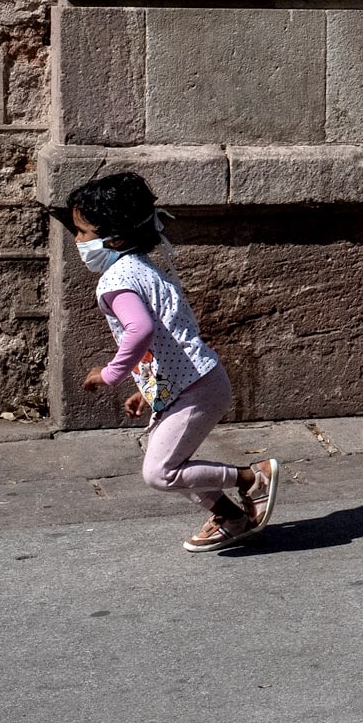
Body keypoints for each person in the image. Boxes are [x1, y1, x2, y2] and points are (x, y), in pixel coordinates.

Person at [63, 172, 279, 554]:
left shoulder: (117, 280)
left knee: (160, 472)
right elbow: (167, 337)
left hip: (195, 387)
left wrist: (110, 373)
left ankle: (251, 478)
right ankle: (231, 517)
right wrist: (148, 391)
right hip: (194, 382)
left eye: (81, 232)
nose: (77, 241)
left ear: (114, 238)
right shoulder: (142, 268)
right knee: (171, 462)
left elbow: (141, 330)